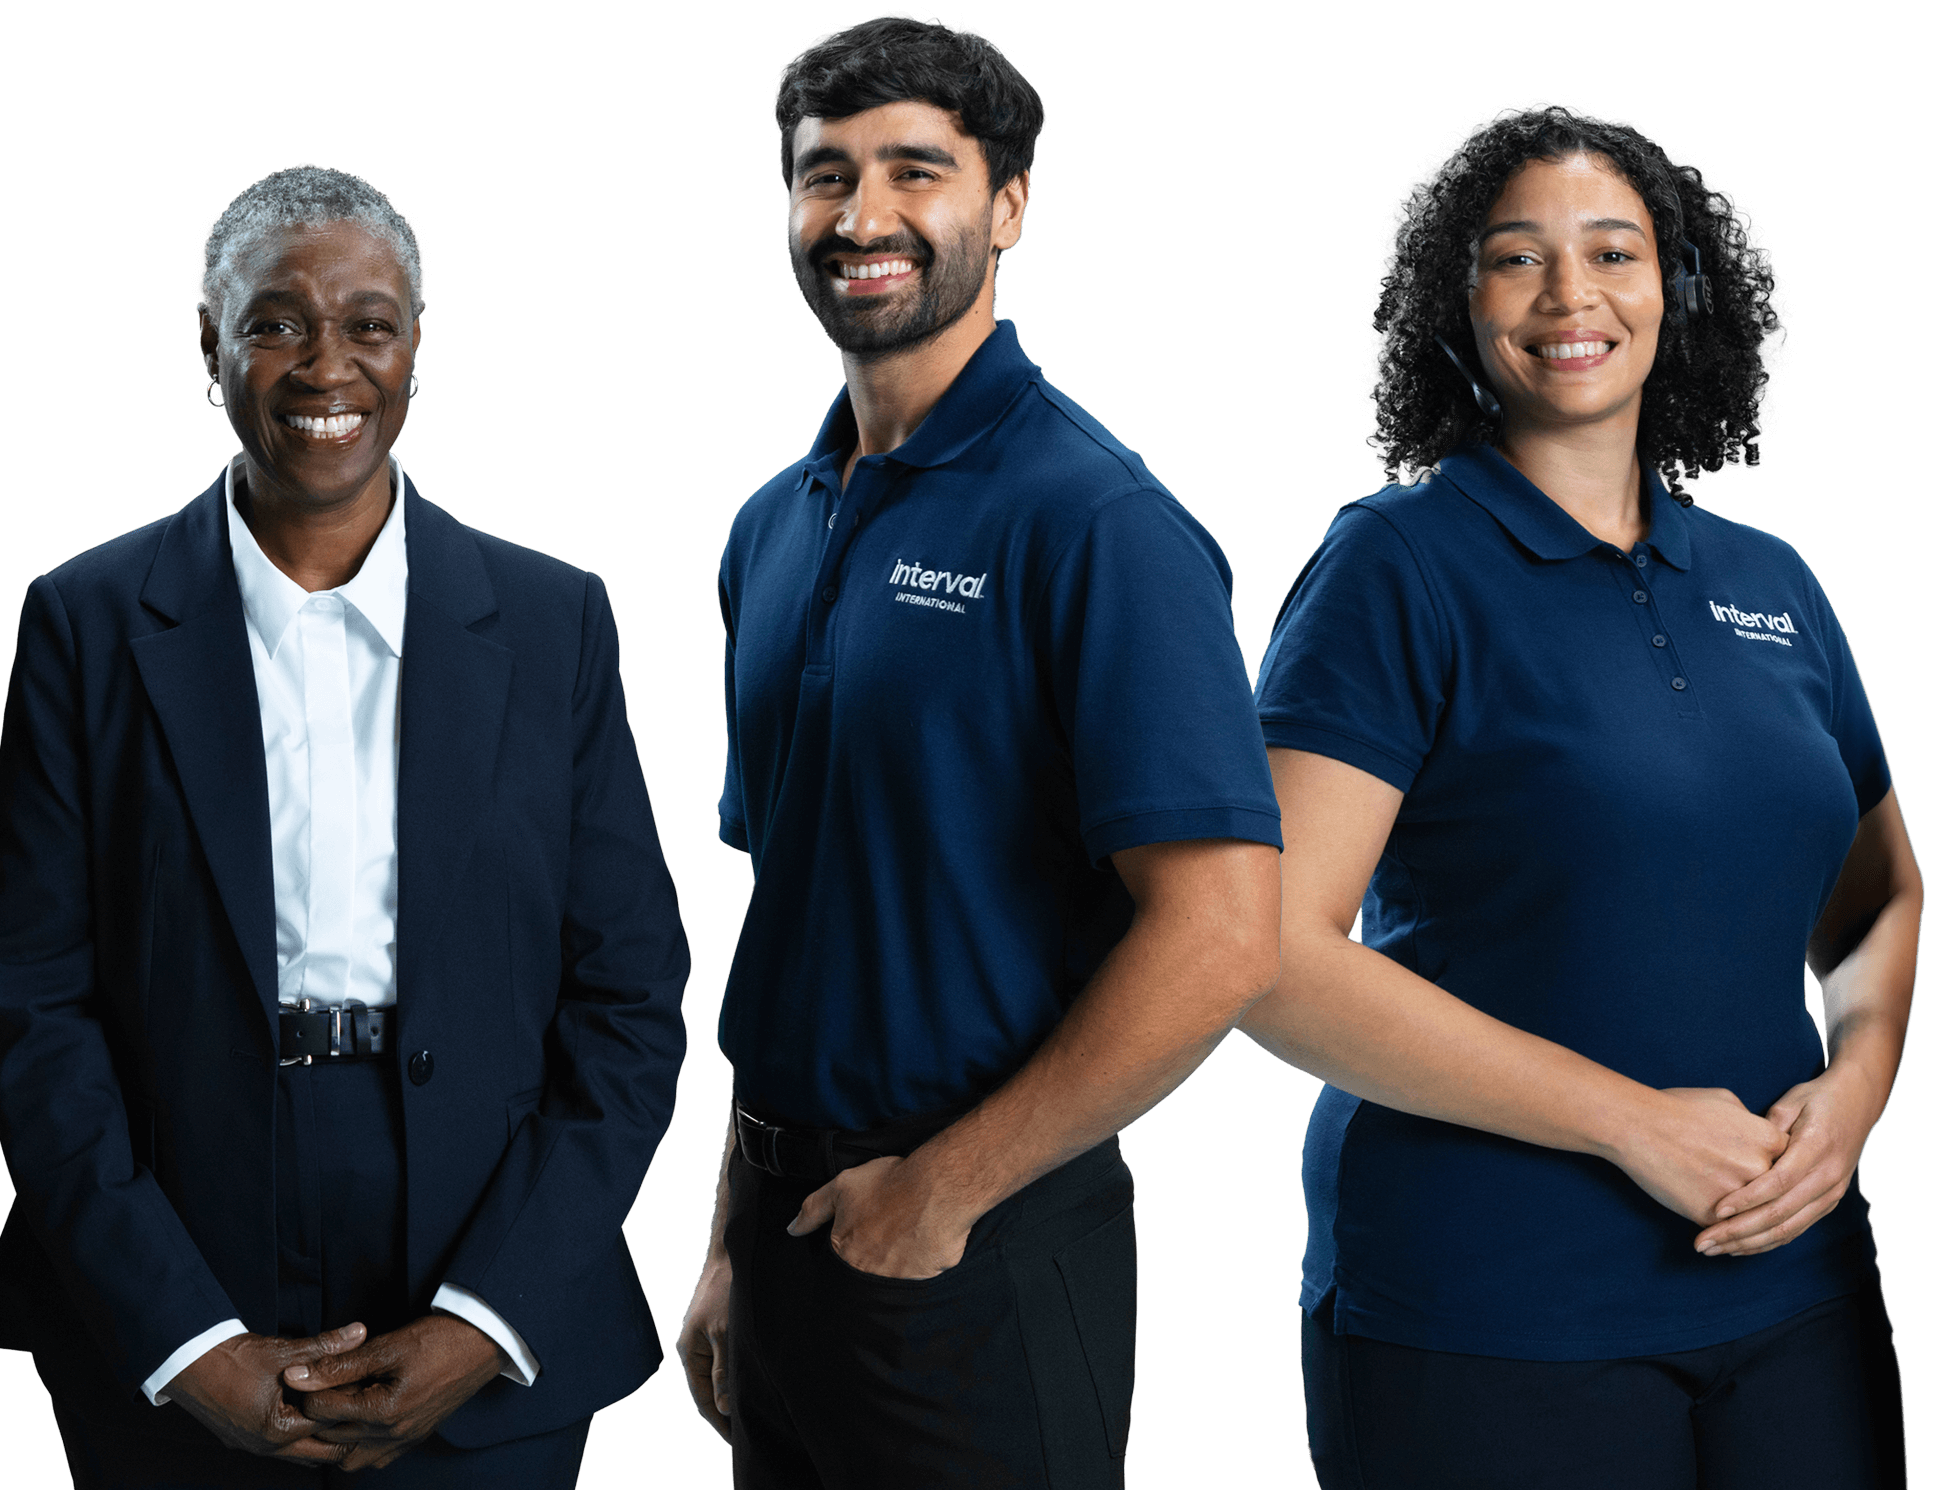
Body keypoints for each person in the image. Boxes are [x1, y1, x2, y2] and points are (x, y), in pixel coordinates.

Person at [0, 163, 691, 1487]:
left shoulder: (553, 620)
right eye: (276, 321)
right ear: (210, 343)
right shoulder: (84, 622)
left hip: (489, 1249)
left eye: (369, 322)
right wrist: (184, 1337)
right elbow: (34, 999)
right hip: (175, 1249)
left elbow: (633, 998)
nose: (327, 363)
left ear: (417, 351)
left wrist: (486, 1316)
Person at [1243, 102, 1916, 1487]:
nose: (1570, 296)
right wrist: (1631, 1119)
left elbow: (1877, 898)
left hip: (1796, 1297)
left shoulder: (1774, 583)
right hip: (1491, 1309)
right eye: (1515, 258)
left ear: (1679, 290)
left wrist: (1856, 1085)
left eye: (1614, 251)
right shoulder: (1394, 568)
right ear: (1455, 298)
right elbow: (1261, 953)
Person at [670, 13, 1282, 1487]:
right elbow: (793, 920)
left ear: (1007, 206)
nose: (862, 216)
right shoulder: (771, 523)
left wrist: (947, 1187)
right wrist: (725, 1237)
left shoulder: (1099, 522)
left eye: (915, 171)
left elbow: (1225, 934)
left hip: (982, 1243)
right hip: (781, 1219)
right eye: (825, 175)